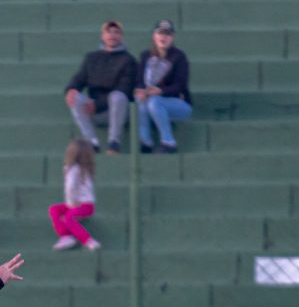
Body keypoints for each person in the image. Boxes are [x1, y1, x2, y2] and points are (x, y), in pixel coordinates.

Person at [64, 20, 136, 154]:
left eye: (116, 32)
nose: (112, 35)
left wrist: (98, 105)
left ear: (121, 36)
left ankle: (114, 143)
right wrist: (71, 89)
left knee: (118, 96)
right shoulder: (91, 58)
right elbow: (80, 78)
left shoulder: (129, 60)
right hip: (93, 112)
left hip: (119, 112)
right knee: (75, 97)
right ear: (102, 36)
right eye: (108, 32)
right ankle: (92, 143)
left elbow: (124, 89)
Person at [135, 18, 192, 154]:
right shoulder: (145, 56)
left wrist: (160, 91)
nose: (163, 37)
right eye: (160, 33)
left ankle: (168, 141)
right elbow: (139, 80)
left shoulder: (179, 57)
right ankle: (145, 141)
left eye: (167, 34)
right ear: (154, 36)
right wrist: (141, 90)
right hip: (149, 101)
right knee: (141, 101)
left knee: (154, 102)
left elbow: (180, 85)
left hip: (177, 103)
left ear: (172, 37)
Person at [49, 139, 99, 251]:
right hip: (79, 204)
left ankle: (88, 240)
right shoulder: (83, 169)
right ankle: (66, 237)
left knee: (68, 217)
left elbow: (70, 188)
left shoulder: (75, 169)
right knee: (55, 209)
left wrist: (72, 203)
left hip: (83, 205)